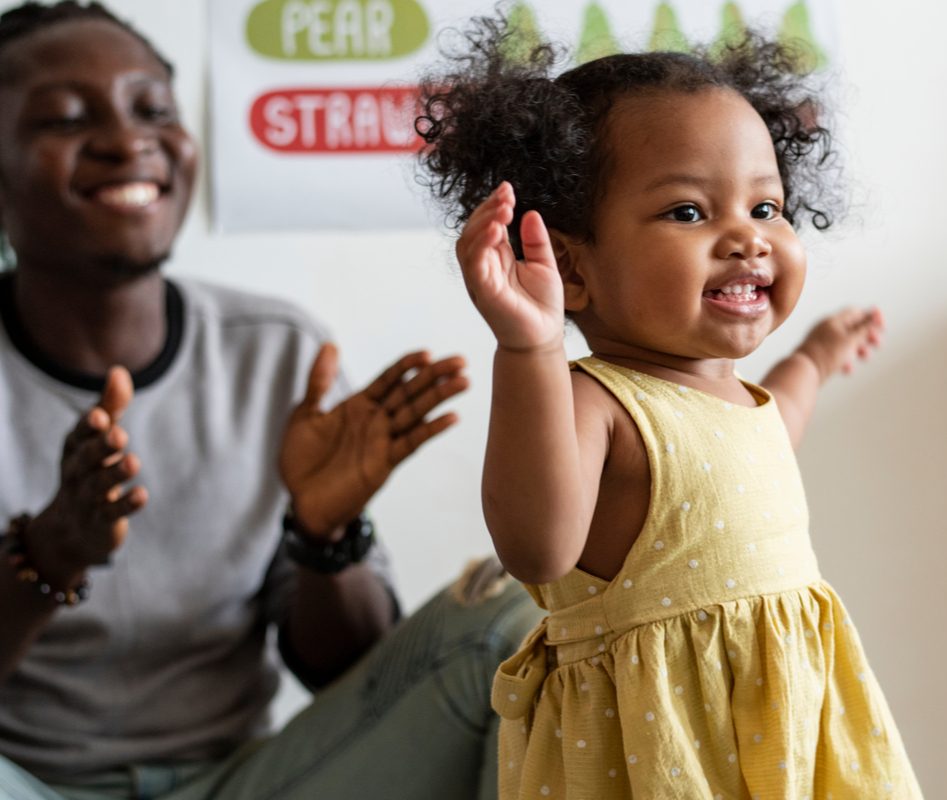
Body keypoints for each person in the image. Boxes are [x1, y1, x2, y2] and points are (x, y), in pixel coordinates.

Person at [0, 3, 541, 799]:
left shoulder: (277, 352)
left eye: (153, 110)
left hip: (247, 783)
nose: (127, 141)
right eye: (67, 119)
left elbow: (348, 674)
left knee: (511, 623)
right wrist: (46, 555)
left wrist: (324, 535)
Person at [417, 16, 923, 800]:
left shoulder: (732, 396)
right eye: (689, 212)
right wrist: (531, 349)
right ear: (573, 267)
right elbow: (539, 546)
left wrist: (814, 361)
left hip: (786, 744)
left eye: (765, 208)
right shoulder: (598, 401)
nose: (746, 240)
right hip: (662, 758)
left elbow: (766, 437)